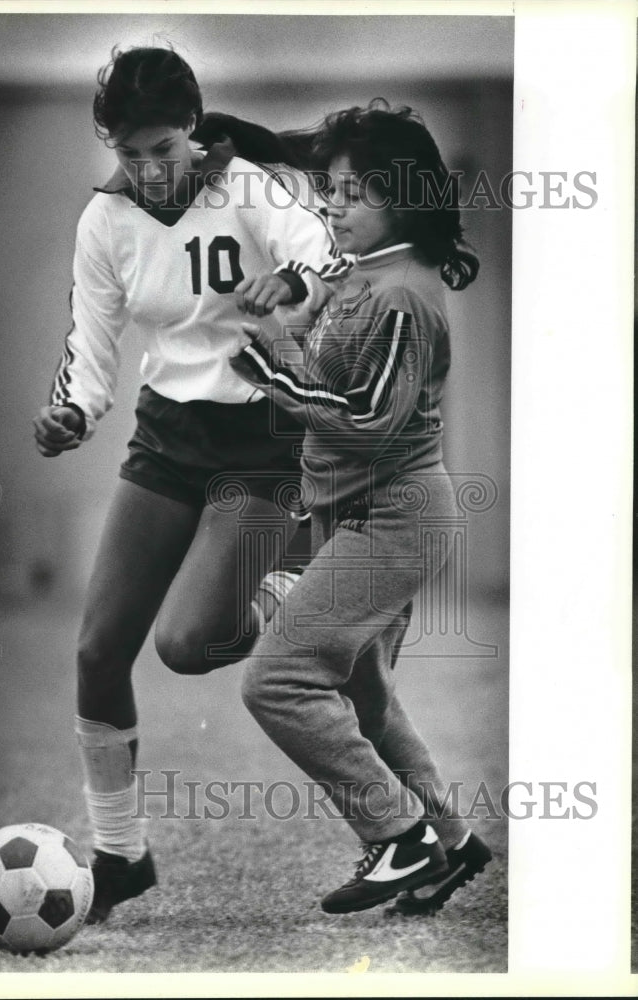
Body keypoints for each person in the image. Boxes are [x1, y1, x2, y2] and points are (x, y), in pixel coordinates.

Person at [32, 46, 337, 924]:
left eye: (162, 150)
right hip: (170, 433)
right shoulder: (105, 221)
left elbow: (323, 256)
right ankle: (121, 855)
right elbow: (90, 359)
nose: (147, 169)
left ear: (192, 130)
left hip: (261, 437)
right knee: (98, 652)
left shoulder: (249, 188)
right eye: (129, 154)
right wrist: (71, 414)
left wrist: (293, 280)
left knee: (188, 644)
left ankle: (294, 586)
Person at [230, 101, 492, 915]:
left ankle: (396, 835)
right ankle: (451, 842)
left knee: (276, 682)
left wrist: (267, 369)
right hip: (357, 515)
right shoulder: (363, 275)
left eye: (350, 194)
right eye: (330, 193)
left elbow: (372, 418)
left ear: (400, 200)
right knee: (365, 696)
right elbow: (334, 371)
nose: (331, 207)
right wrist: (284, 328)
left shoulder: (404, 295)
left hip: (395, 516)